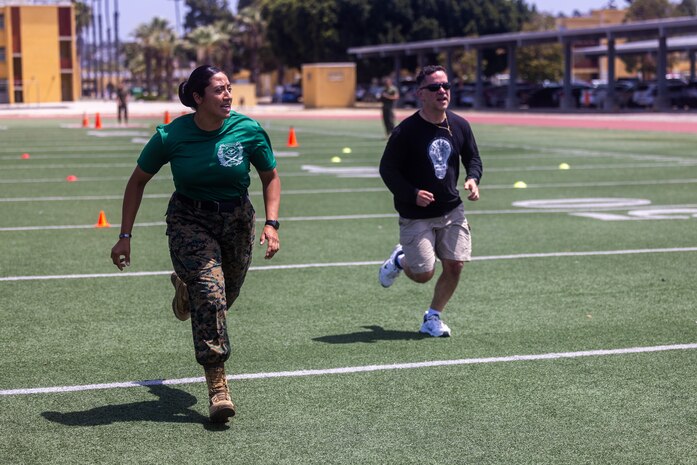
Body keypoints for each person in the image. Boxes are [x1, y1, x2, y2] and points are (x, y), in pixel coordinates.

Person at [110, 65, 281, 423]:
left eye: (229, 88)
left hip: (236, 221)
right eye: (219, 90)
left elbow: (270, 177)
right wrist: (125, 236)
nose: (228, 95)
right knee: (212, 294)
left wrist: (271, 223)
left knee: (223, 297)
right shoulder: (171, 135)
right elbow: (137, 181)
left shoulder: (247, 129)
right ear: (198, 97)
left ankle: (186, 291)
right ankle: (218, 386)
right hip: (190, 219)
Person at [378, 65, 482, 338]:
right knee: (424, 273)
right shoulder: (406, 131)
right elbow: (387, 170)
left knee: (455, 264)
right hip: (416, 214)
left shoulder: (460, 125)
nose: (442, 91)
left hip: (452, 209)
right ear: (420, 94)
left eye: (446, 86)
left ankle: (433, 316)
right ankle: (400, 260)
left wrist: (473, 178)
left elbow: (473, 157)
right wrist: (412, 193)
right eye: (435, 87)